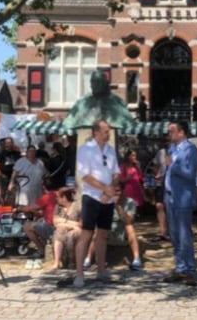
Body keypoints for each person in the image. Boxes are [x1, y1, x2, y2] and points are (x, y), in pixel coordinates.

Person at [74, 119, 120, 288]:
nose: (108, 134)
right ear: (96, 133)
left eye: (109, 131)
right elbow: (85, 176)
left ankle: (101, 270)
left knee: (102, 234)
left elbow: (116, 173)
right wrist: (104, 189)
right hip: (91, 197)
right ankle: (79, 273)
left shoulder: (111, 150)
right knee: (86, 234)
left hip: (107, 199)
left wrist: (110, 190)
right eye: (106, 131)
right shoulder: (85, 150)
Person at [162, 121, 197, 286]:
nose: (169, 134)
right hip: (170, 196)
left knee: (185, 235)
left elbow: (190, 174)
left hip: (183, 197)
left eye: (172, 131)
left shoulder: (190, 150)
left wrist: (173, 166)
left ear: (182, 133)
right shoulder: (172, 149)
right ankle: (180, 268)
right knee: (174, 234)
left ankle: (190, 270)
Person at [85, 183, 143, 271]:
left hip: (123, 229)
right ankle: (87, 260)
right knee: (98, 230)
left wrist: (118, 206)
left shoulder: (129, 202)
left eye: (118, 191)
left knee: (130, 227)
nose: (115, 194)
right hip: (108, 228)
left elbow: (128, 221)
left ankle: (137, 260)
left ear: (123, 191)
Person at [16, 181, 58, 263]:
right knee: (38, 220)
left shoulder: (47, 197)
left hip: (51, 226)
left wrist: (19, 209)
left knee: (27, 226)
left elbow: (30, 208)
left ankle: (41, 249)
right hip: (58, 224)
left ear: (44, 187)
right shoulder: (60, 195)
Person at [52, 188, 81, 269]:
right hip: (65, 228)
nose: (56, 199)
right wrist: (71, 224)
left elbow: (80, 224)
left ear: (64, 198)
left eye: (58, 197)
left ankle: (72, 261)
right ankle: (57, 262)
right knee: (58, 233)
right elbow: (55, 221)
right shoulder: (58, 207)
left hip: (76, 230)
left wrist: (64, 222)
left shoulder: (77, 207)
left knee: (71, 235)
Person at [0, 137, 21, 204]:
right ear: (5, 144)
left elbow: (21, 163)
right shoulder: (2, 154)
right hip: (4, 177)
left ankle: (11, 207)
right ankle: (3, 206)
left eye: (11, 142)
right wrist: (1, 174)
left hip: (14, 177)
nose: (9, 144)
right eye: (8, 143)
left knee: (12, 194)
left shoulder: (17, 153)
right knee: (1, 194)